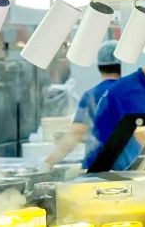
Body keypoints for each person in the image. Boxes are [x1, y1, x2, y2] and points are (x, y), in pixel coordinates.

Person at [45, 40, 121, 168]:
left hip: (100, 167)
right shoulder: (131, 93)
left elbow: (77, 134)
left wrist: (48, 163)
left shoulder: (92, 95)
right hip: (128, 165)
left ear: (99, 66)